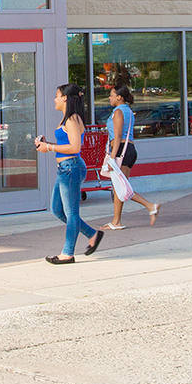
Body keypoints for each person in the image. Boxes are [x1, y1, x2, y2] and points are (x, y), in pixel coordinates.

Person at [34, 83, 103, 264]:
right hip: (65, 168)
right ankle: (92, 234)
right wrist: (46, 144)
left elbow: (75, 147)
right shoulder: (67, 118)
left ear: (65, 98)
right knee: (57, 209)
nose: (54, 99)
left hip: (71, 168)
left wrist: (48, 147)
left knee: (71, 212)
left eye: (57, 95)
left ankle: (68, 253)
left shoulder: (72, 119)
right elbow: (66, 145)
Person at [102, 83, 160, 228]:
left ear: (119, 97)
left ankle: (150, 206)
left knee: (122, 187)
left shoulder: (118, 112)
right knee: (118, 187)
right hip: (127, 150)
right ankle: (116, 221)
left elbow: (118, 135)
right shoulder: (127, 110)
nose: (109, 98)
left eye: (112, 95)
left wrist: (111, 158)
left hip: (121, 150)